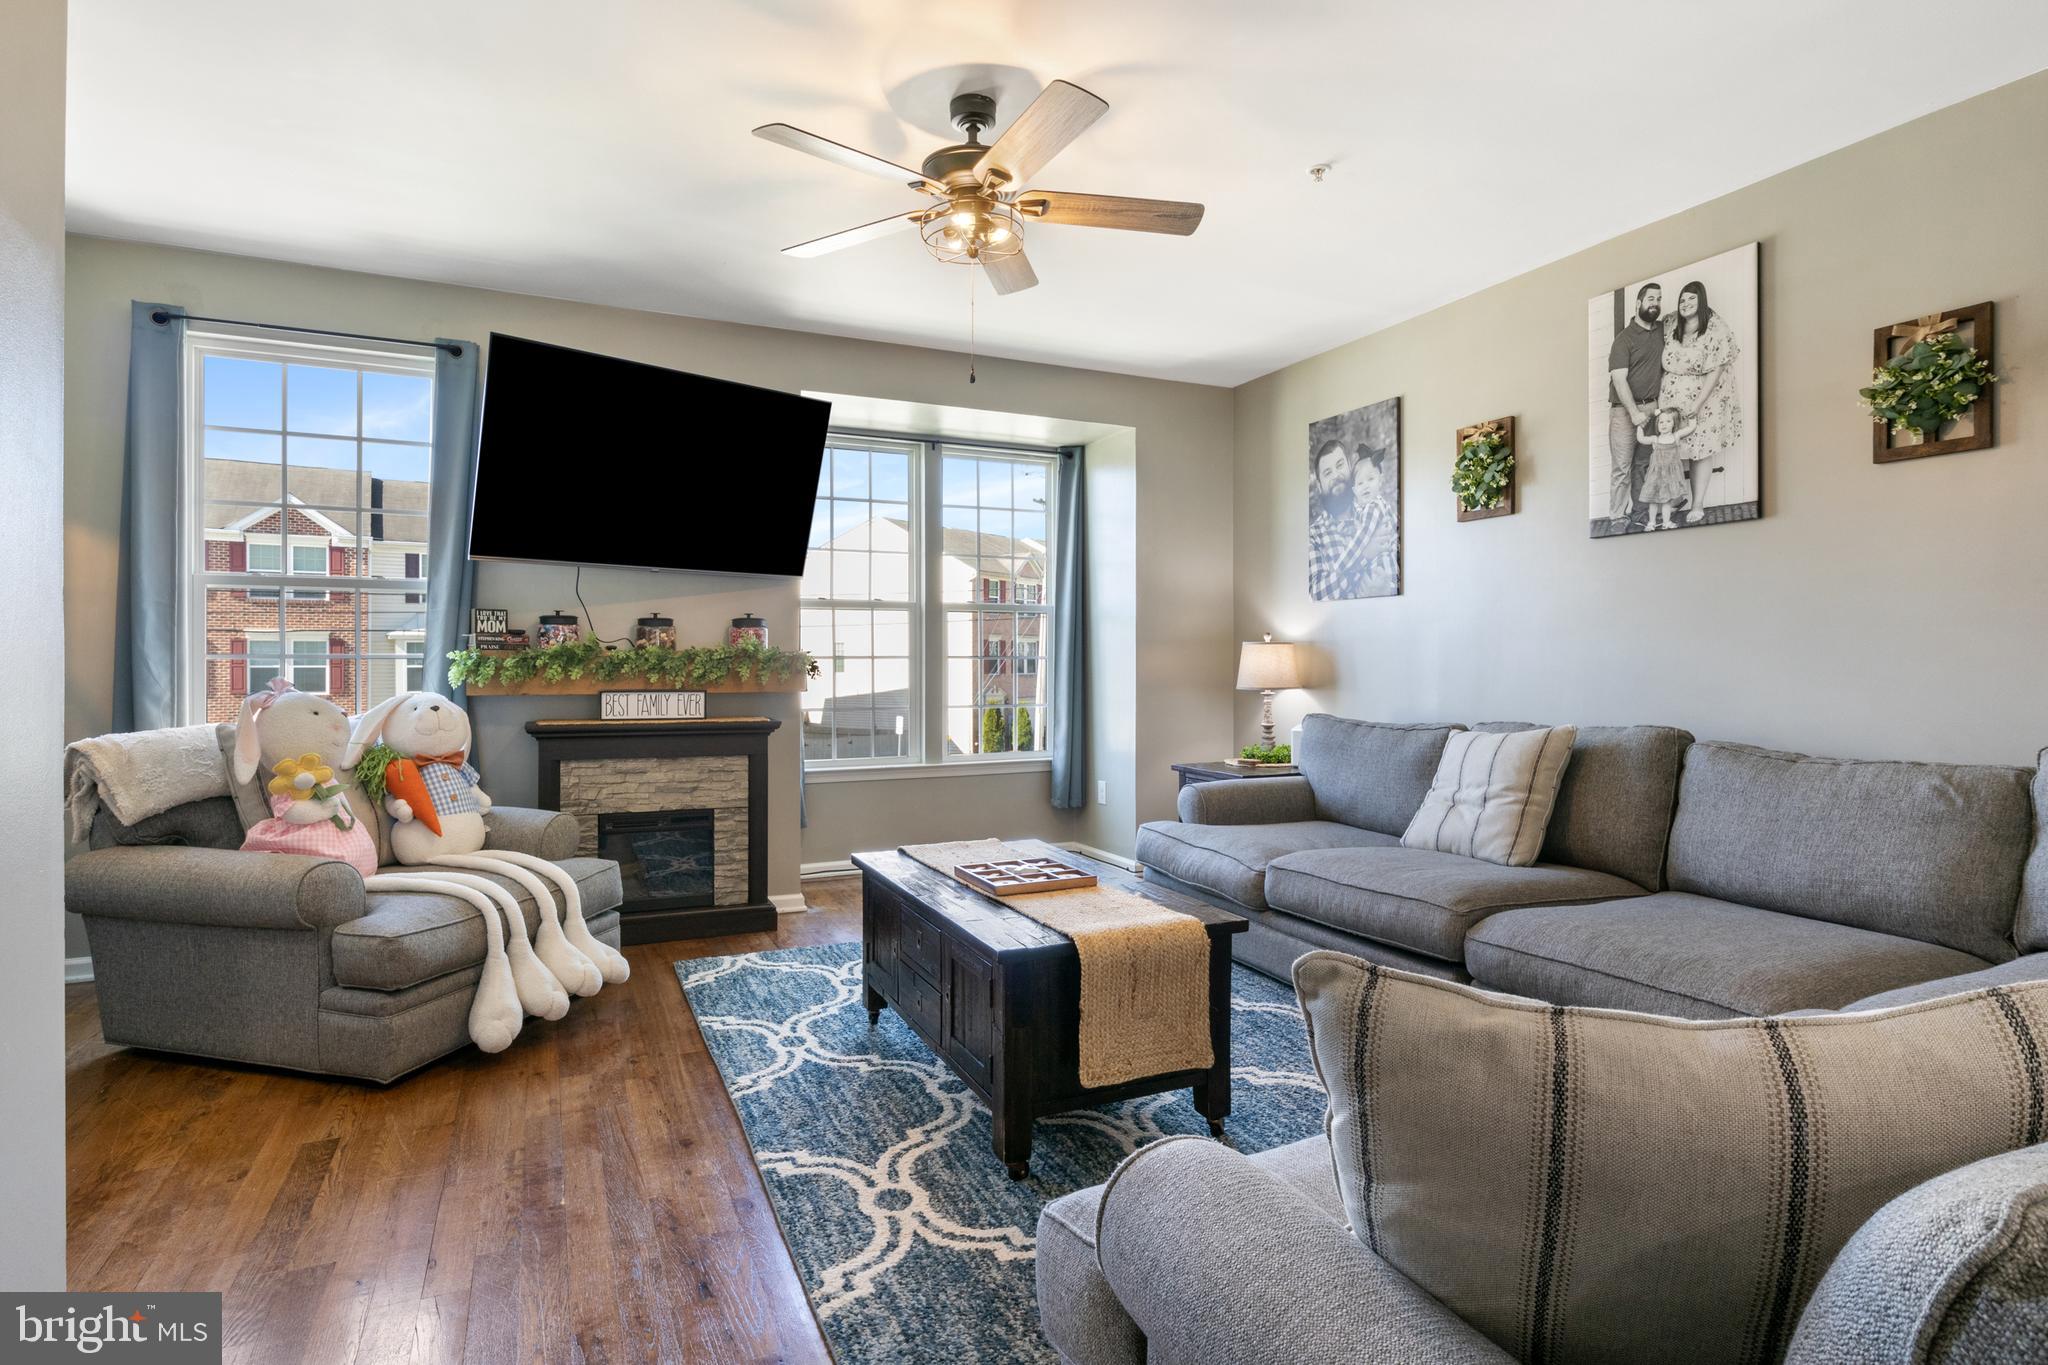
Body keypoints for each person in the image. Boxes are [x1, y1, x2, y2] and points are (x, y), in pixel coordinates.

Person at [1656, 280, 1743, 524]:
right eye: (1682, 300)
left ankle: (1697, 503)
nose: (1685, 304)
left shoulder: (1715, 327)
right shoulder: (1671, 322)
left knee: (1700, 451)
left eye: (1691, 299)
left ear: (1701, 300)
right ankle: (1675, 497)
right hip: (1672, 399)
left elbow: (1716, 371)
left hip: (1704, 399)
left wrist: (1696, 405)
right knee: (1671, 449)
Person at [1606, 282, 1667, 530]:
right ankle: (1617, 516)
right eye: (1650, 298)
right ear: (1638, 303)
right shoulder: (1623, 339)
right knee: (1622, 466)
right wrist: (1634, 413)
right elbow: (1619, 380)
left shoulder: (1661, 331)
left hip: (1652, 408)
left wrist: (1650, 411)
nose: (1655, 303)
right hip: (1624, 410)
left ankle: (1640, 512)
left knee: (1643, 464)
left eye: (1659, 299)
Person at [1308, 438, 1368, 600]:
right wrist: (1364, 555)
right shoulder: (1313, 537)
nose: (1335, 475)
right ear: (1319, 485)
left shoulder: (1372, 515)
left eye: (1340, 465)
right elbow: (1318, 594)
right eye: (1327, 473)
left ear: (1350, 467)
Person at [1634, 407, 1698, 530]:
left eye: (1668, 421)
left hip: (1670, 477)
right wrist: (1640, 426)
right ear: (1657, 424)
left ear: (1674, 423)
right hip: (1656, 476)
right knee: (1652, 501)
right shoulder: (1655, 439)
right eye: (1661, 422)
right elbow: (1641, 439)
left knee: (1666, 501)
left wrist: (1692, 418)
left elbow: (1690, 428)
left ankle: (1666, 522)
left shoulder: (1676, 436)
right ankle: (1651, 522)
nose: (1664, 425)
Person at [1351, 450, 1399, 593]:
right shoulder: (1363, 509)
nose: (1365, 485)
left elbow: (1362, 537)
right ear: (1354, 490)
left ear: (1380, 481)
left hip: (1384, 566)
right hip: (1374, 570)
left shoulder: (1376, 507)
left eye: (1370, 479)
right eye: (1360, 483)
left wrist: (1343, 565)